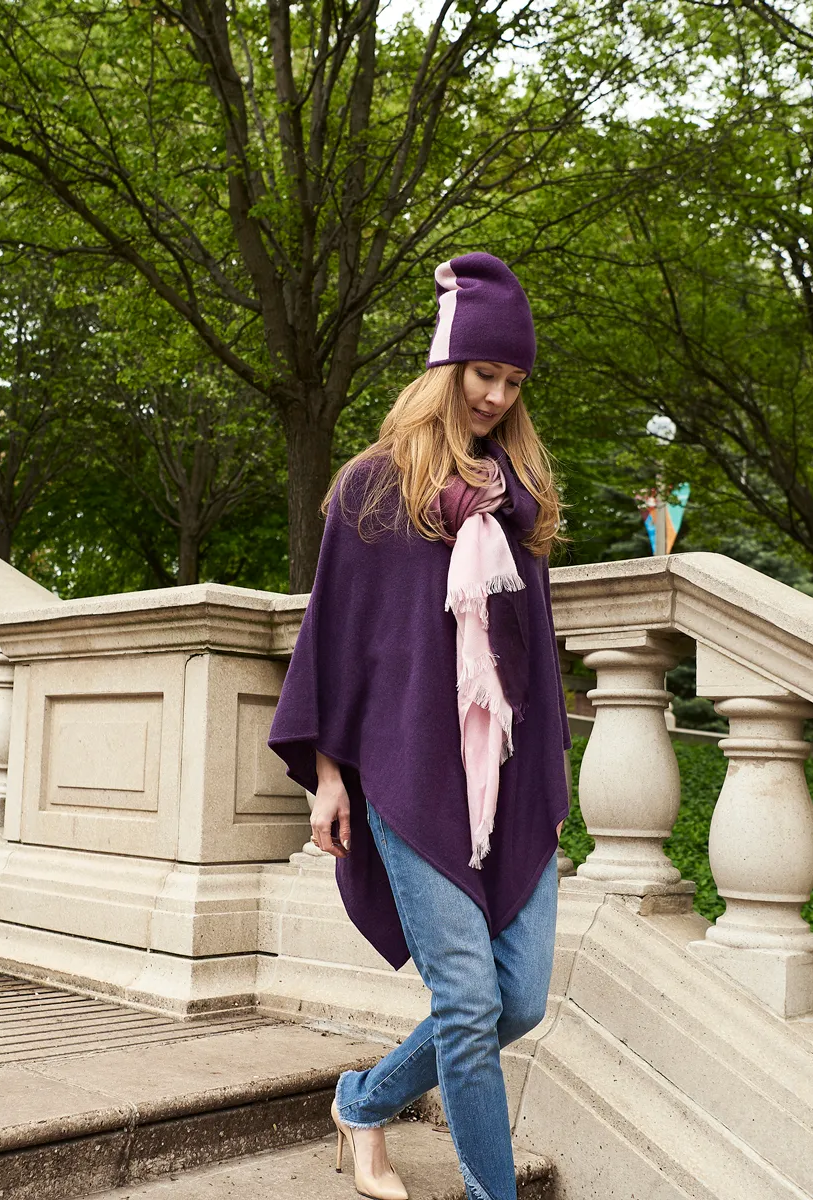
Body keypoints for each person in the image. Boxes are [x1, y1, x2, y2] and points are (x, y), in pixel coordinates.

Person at [269, 252, 570, 1200]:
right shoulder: (372, 490)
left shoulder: (518, 506)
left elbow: (537, 659)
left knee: (515, 999)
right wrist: (328, 776)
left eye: (513, 381)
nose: (496, 395)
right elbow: (334, 639)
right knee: (469, 1004)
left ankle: (363, 1102)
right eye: (484, 374)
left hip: (508, 780)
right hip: (409, 771)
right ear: (447, 368)